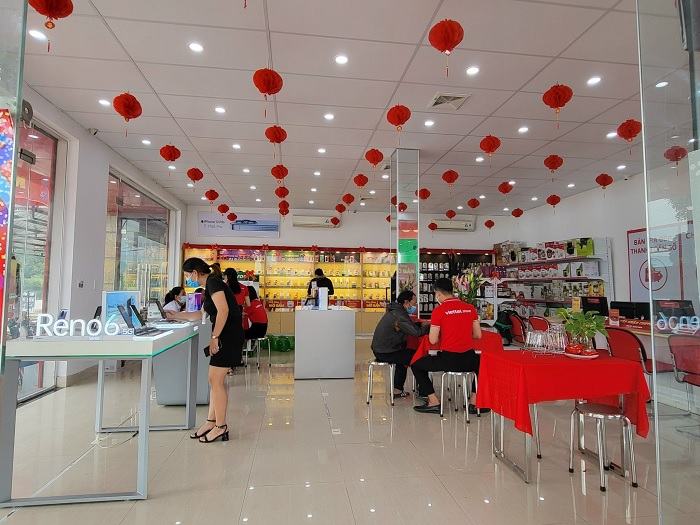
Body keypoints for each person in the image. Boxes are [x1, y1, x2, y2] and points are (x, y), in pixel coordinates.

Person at [166, 258, 244, 442]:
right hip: (225, 335)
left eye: (187, 275)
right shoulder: (210, 286)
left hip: (228, 336)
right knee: (213, 380)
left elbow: (223, 311)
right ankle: (211, 422)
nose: (188, 279)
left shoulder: (213, 283)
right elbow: (200, 314)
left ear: (195, 272)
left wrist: (215, 337)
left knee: (215, 380)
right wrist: (176, 315)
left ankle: (221, 426)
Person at [411, 277, 483, 414]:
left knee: (416, 365)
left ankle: (433, 401)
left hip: (449, 360)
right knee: (483, 365)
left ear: (438, 293)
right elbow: (478, 335)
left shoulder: (439, 311)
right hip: (469, 359)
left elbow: (432, 340)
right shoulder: (470, 308)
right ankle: (474, 402)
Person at [371, 290, 429, 397]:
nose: (415, 306)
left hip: (382, 349)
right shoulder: (399, 314)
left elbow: (407, 326)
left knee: (405, 358)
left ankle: (397, 390)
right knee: (418, 358)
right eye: (414, 303)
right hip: (387, 351)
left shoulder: (395, 310)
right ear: (406, 302)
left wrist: (420, 324)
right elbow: (416, 332)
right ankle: (425, 392)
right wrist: (430, 326)